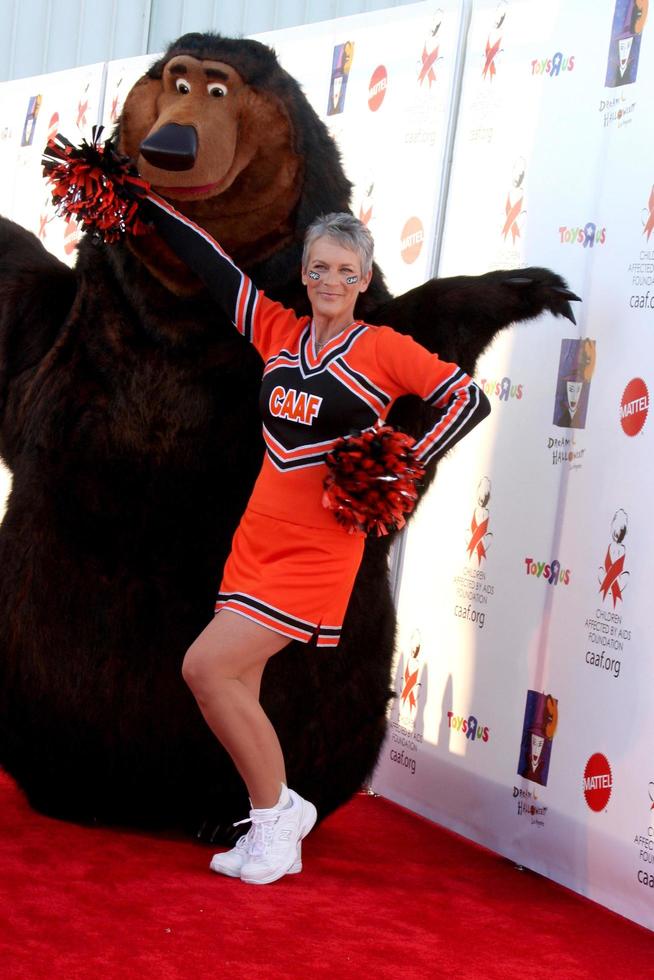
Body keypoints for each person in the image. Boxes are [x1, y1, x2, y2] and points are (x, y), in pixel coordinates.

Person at [142, 198, 491, 884]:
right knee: (239, 680)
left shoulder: (381, 349)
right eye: (321, 266)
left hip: (318, 547)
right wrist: (145, 206)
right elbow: (217, 271)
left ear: (365, 279)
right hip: (256, 537)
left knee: (205, 669)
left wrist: (402, 465)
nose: (332, 279)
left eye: (346, 269)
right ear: (305, 273)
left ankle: (279, 820)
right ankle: (271, 815)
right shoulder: (278, 332)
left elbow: (467, 400)